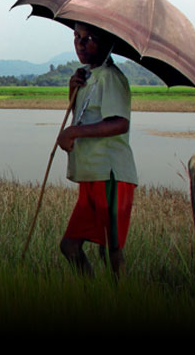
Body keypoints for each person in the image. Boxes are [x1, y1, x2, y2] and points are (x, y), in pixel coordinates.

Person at [56, 21, 137, 278]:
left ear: (106, 43)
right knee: (69, 246)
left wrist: (73, 132)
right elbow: (81, 114)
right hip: (90, 173)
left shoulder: (111, 77)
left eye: (88, 38)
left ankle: (121, 297)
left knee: (111, 249)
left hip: (109, 173)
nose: (80, 44)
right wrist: (73, 89)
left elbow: (120, 123)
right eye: (76, 36)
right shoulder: (88, 75)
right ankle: (92, 294)